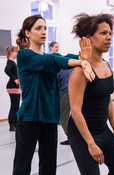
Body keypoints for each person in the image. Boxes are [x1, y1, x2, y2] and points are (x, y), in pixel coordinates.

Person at [12, 14, 95, 175]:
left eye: (45, 28)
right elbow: (51, 61)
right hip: (28, 118)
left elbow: (59, 58)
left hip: (49, 118)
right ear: (28, 33)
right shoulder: (24, 56)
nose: (43, 31)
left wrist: (82, 57)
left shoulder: (50, 57)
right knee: (22, 167)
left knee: (49, 166)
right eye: (38, 28)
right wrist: (80, 61)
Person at [68, 13, 114, 175]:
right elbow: (75, 111)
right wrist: (91, 143)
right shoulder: (80, 71)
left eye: (110, 33)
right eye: (103, 33)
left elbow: (108, 101)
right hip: (82, 134)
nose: (109, 38)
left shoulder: (106, 64)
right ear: (88, 39)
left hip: (103, 130)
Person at [50, 41, 71, 145]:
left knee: (63, 118)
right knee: (65, 117)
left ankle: (72, 138)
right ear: (51, 48)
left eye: (58, 47)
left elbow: (55, 81)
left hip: (64, 93)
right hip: (67, 93)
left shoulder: (58, 65)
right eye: (55, 47)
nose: (57, 48)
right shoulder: (62, 62)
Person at [4, 46, 20, 132]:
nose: (17, 54)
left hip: (14, 87)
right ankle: (11, 124)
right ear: (11, 53)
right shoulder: (10, 61)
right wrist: (14, 79)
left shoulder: (12, 61)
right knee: (14, 106)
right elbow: (6, 70)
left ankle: (15, 123)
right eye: (16, 52)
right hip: (12, 86)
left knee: (16, 106)